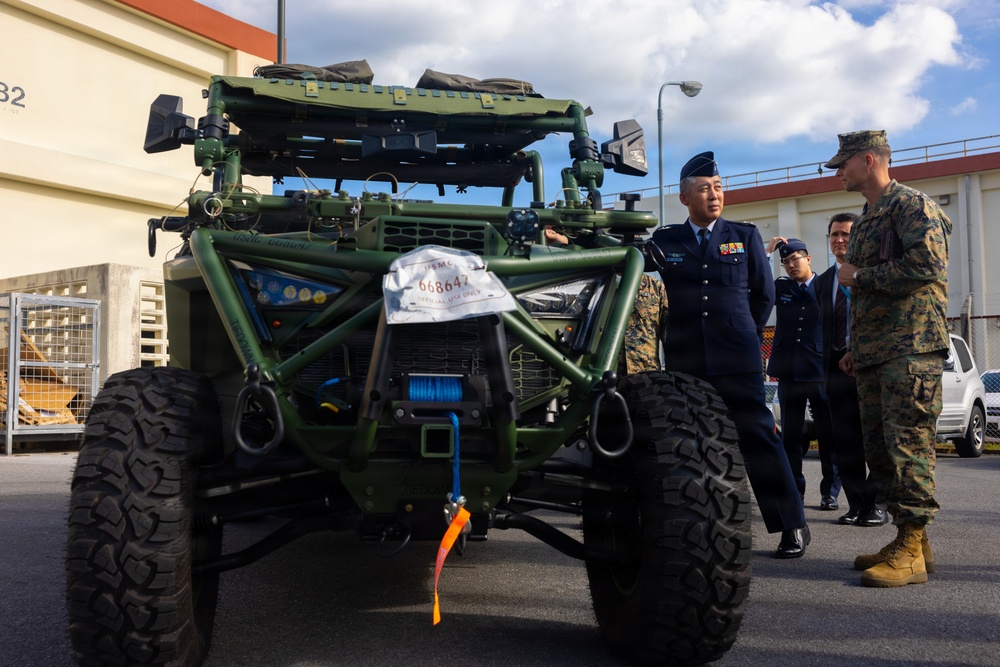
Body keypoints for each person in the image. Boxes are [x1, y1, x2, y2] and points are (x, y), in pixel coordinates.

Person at [651, 151, 808, 559]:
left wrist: (745, 334)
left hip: (738, 357)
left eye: (718, 188)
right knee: (692, 443)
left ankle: (791, 524)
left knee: (758, 437)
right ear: (684, 197)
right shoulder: (665, 240)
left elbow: (763, 294)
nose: (714, 195)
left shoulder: (744, 235)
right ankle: (702, 526)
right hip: (687, 359)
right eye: (704, 189)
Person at [827, 130, 951, 587]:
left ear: (868, 159)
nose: (838, 172)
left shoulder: (912, 206)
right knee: (880, 451)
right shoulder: (866, 219)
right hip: (877, 352)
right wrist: (856, 349)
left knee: (908, 448)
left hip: (911, 348)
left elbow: (928, 266)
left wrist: (861, 275)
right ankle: (911, 540)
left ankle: (911, 549)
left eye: (843, 163)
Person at [814, 212, 888, 528]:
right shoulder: (822, 282)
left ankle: (877, 504)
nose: (840, 239)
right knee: (845, 442)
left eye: (846, 233)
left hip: (869, 367)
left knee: (877, 440)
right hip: (836, 371)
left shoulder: (872, 274)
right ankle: (856, 504)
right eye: (835, 234)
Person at [764, 238, 840, 510]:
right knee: (791, 437)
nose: (790, 265)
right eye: (785, 262)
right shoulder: (781, 288)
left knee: (828, 436)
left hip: (820, 371)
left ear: (808, 258)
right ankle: (794, 491)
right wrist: (767, 253)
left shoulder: (826, 285)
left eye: (795, 258)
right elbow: (758, 285)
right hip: (789, 372)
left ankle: (830, 493)